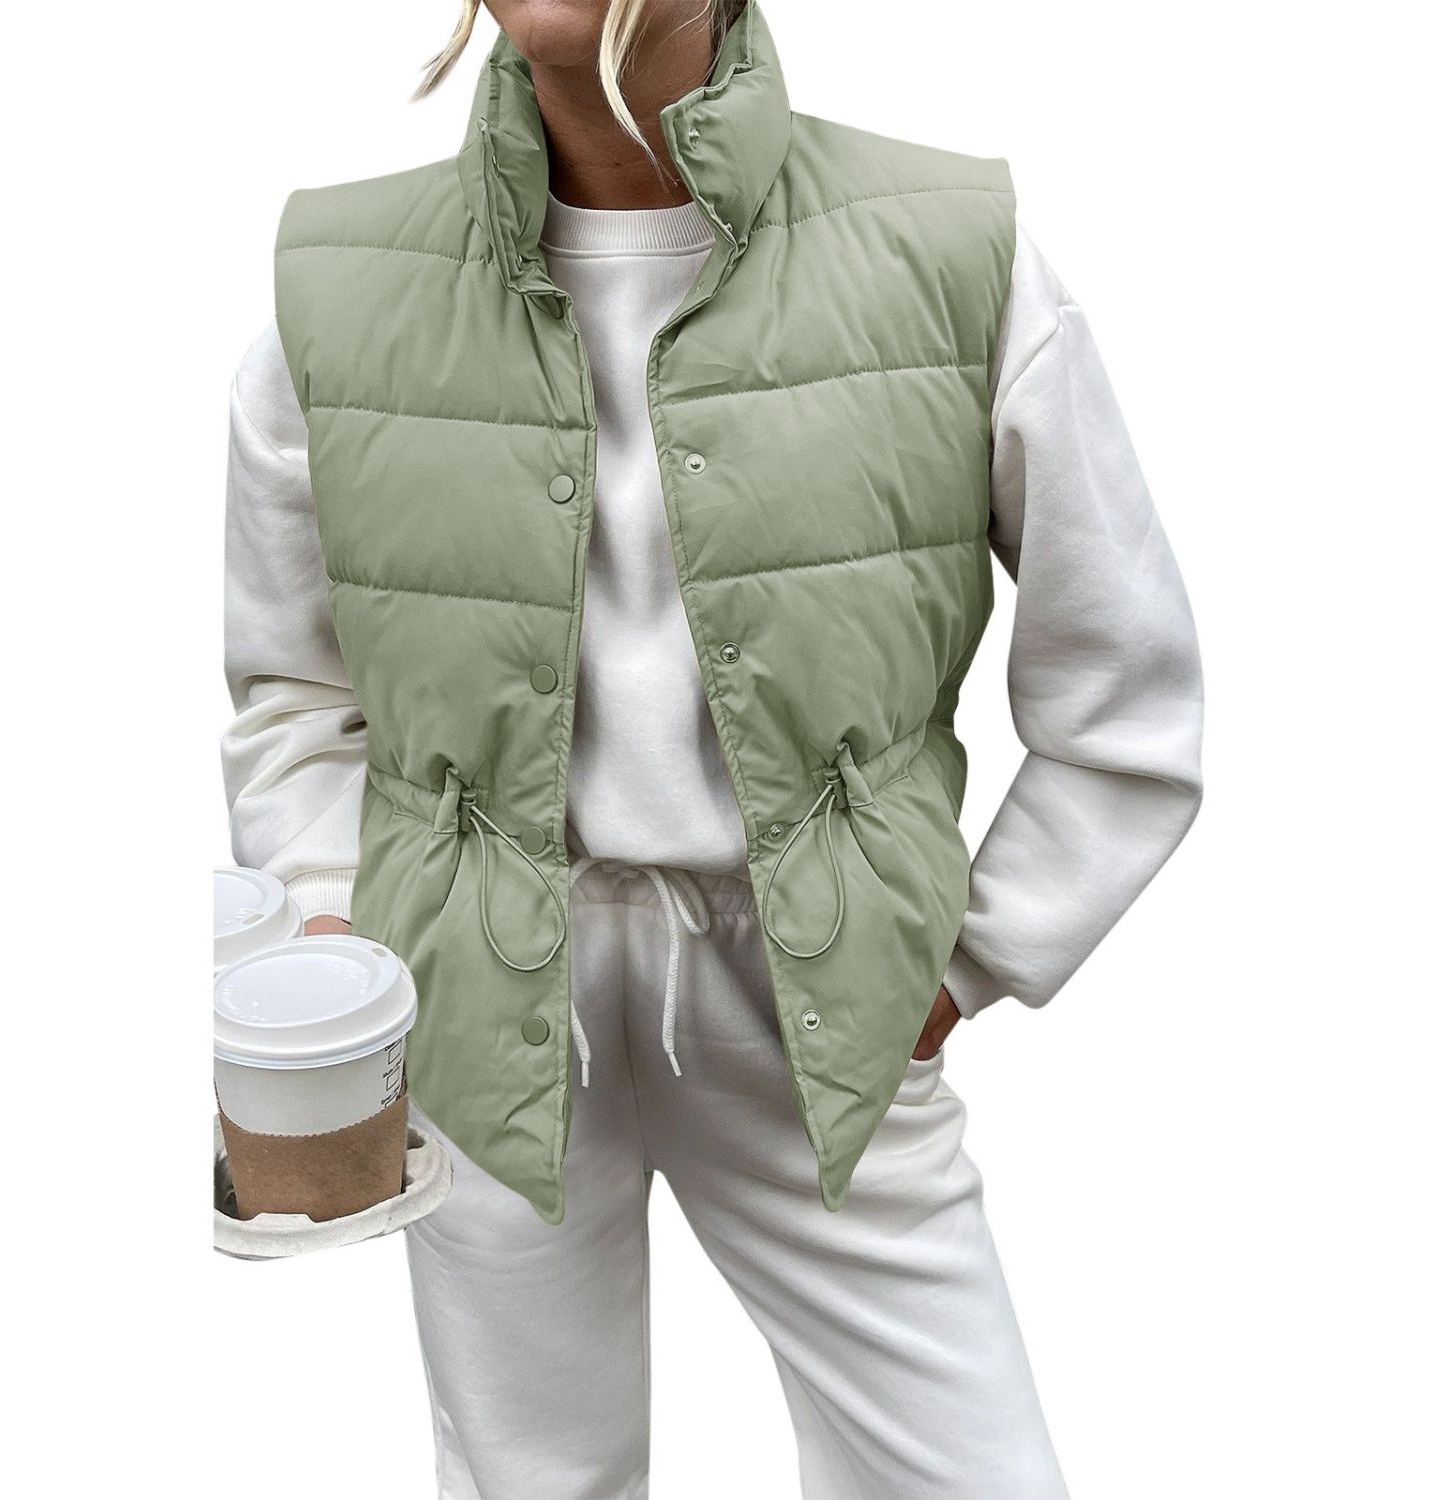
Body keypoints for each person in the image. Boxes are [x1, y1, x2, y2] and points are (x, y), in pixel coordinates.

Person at [223, 2, 1203, 1493]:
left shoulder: (951, 251)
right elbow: (293, 688)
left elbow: (1124, 691)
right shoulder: (337, 282)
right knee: (531, 1477)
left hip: (816, 986)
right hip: (478, 989)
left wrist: (963, 965)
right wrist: (337, 938)